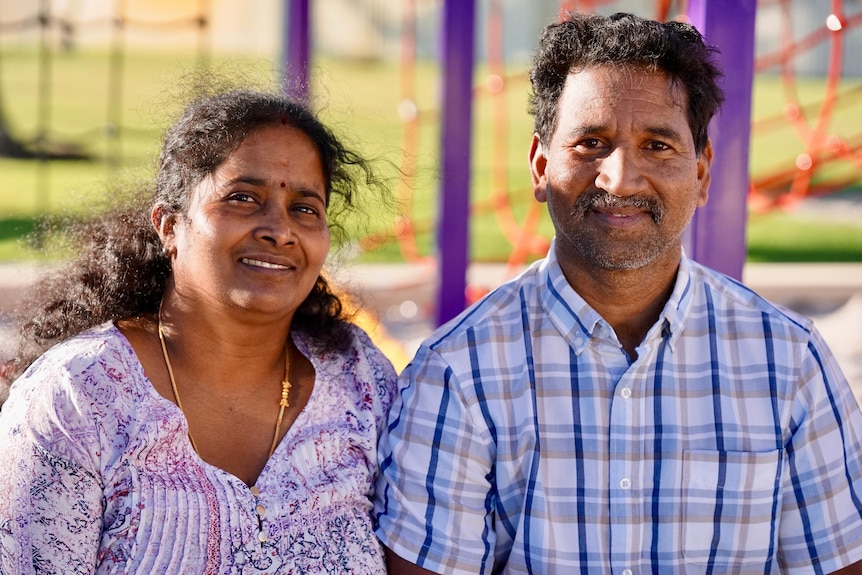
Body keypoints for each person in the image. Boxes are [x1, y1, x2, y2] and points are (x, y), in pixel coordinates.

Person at [373, 11, 862, 575]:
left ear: (702, 173)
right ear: (540, 165)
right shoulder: (457, 373)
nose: (621, 177)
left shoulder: (789, 360)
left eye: (658, 145)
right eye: (590, 143)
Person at [0, 87, 398, 573]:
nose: (279, 229)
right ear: (169, 226)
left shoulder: (359, 379)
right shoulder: (77, 396)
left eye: (304, 208)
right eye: (243, 198)